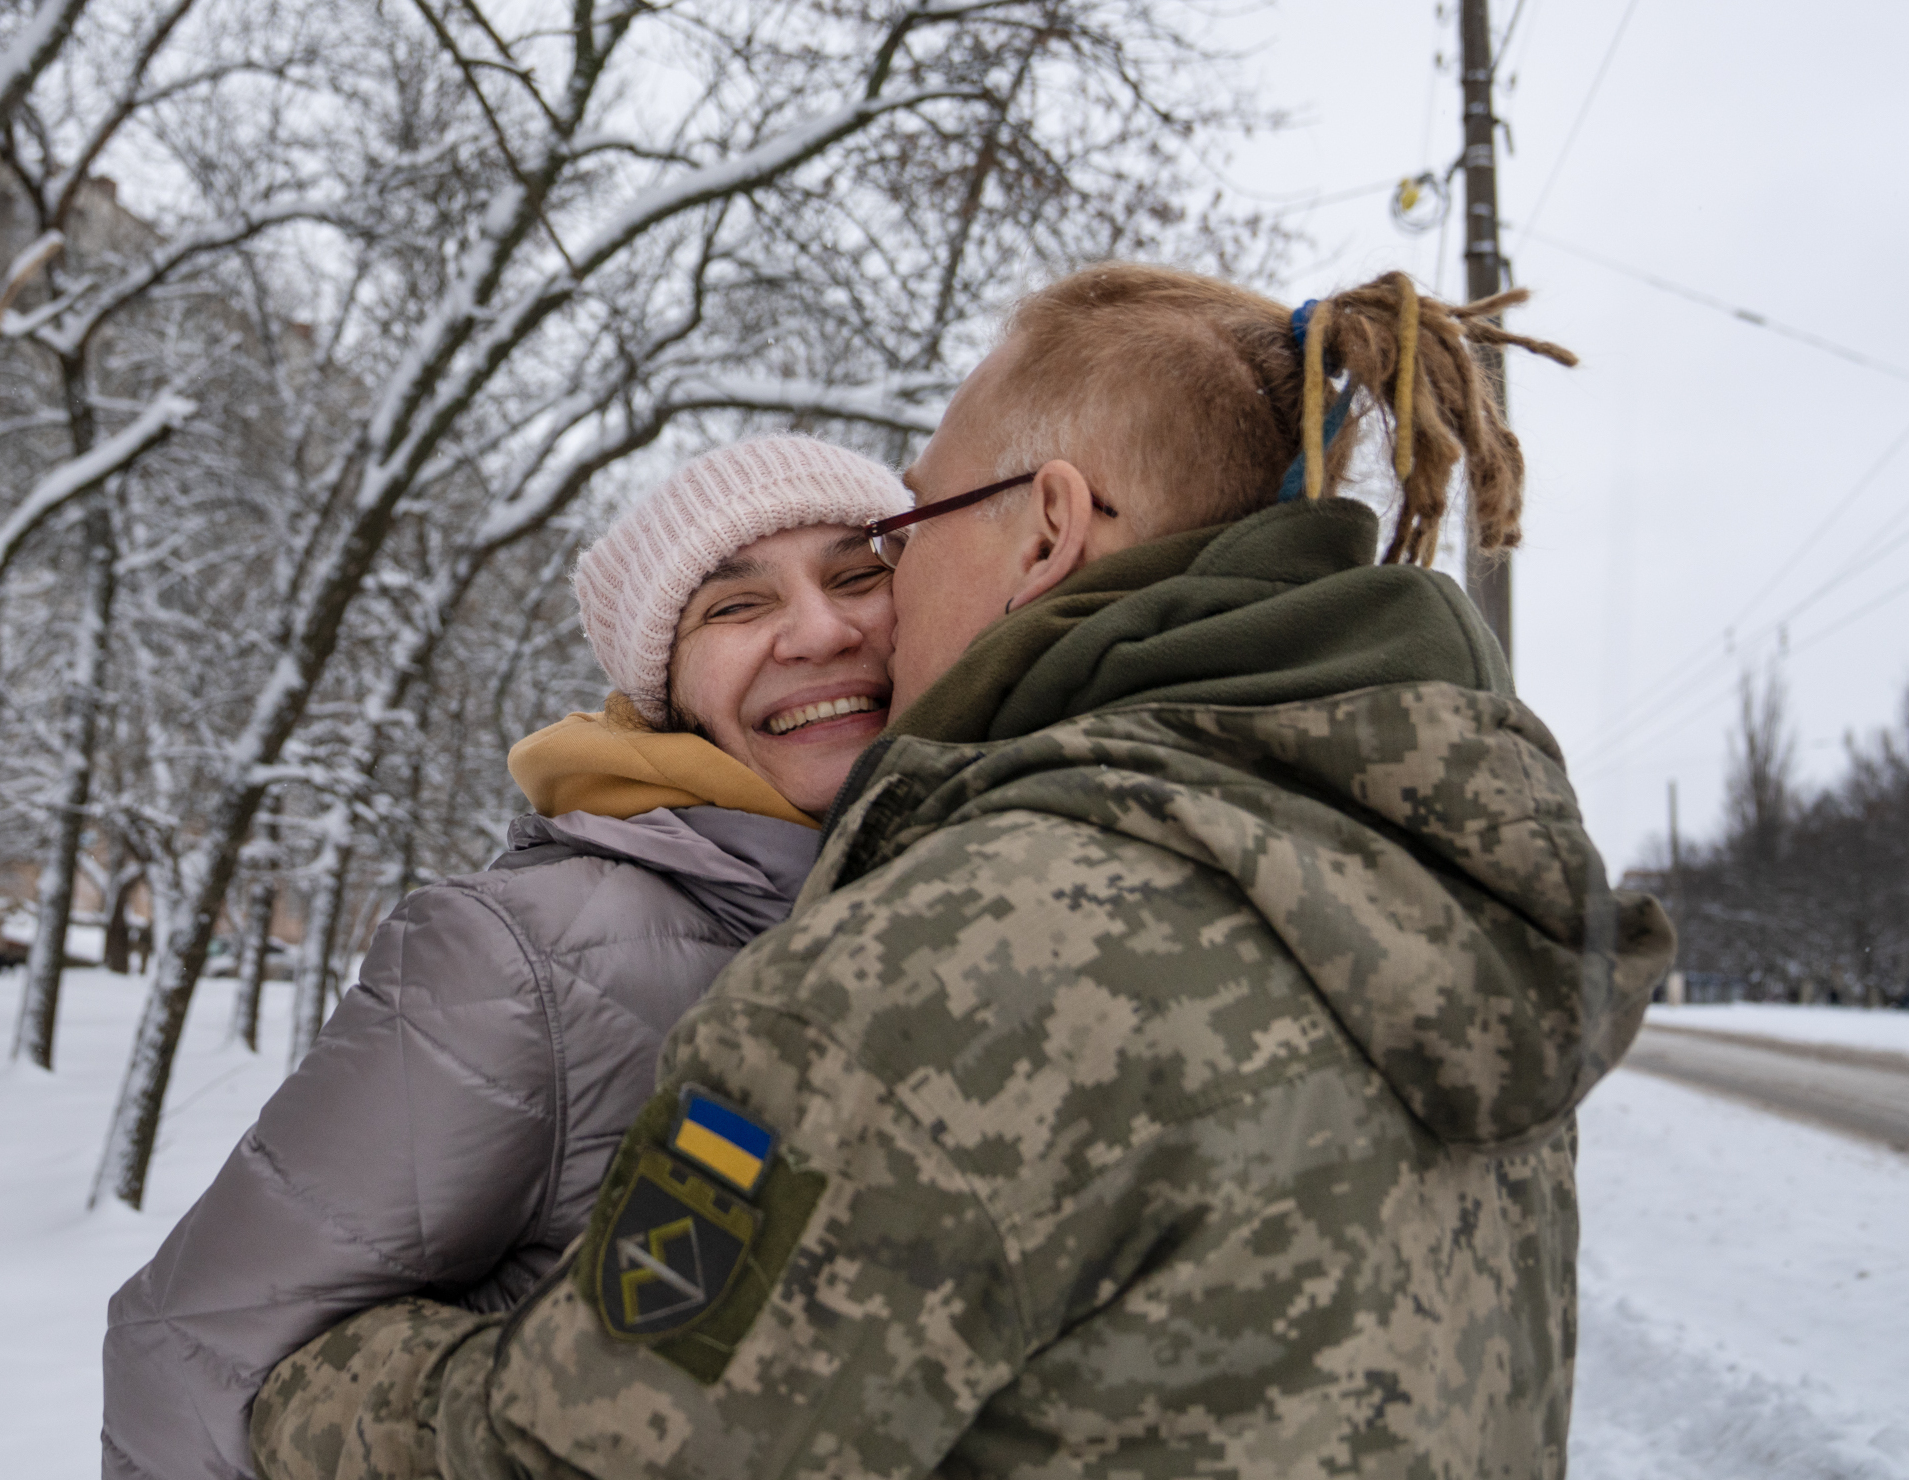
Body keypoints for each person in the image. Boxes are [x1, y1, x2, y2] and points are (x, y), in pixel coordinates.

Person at [249, 265, 1676, 1480]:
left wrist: (323, 1383)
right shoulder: (1426, 883)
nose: (848, 621)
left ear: (1046, 527)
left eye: (899, 534)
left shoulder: (955, 950)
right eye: (737, 605)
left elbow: (588, 1454)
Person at [100, 434, 909, 1480]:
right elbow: (196, 1351)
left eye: (858, 575)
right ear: (667, 690)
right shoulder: (520, 956)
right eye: (734, 606)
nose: (820, 627)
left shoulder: (985, 907)